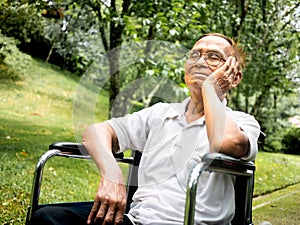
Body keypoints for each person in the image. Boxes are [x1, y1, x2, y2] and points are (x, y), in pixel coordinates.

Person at [29, 33, 260, 225]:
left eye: (213, 57)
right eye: (195, 54)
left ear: (234, 76)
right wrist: (112, 174)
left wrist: (212, 90)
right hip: (136, 221)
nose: (200, 61)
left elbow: (224, 142)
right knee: (49, 218)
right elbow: (96, 131)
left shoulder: (242, 121)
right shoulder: (160, 113)